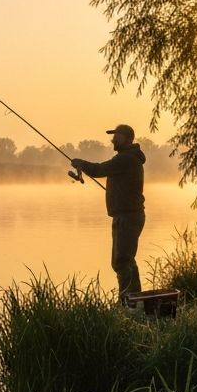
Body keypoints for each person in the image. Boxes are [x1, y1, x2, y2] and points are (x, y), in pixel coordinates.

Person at [70, 124, 146, 301]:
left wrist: (81, 163)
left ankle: (128, 302)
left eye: (117, 137)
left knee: (121, 261)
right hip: (127, 215)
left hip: (127, 217)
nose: (113, 140)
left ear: (127, 138)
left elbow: (99, 170)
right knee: (127, 260)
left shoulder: (126, 159)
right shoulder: (126, 159)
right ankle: (134, 299)